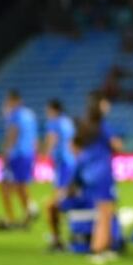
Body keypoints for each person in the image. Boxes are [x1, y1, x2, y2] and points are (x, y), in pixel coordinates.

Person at [72, 92, 124, 264]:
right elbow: (117, 145)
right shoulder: (103, 125)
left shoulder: (85, 125)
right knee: (105, 213)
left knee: (103, 211)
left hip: (89, 173)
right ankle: (97, 249)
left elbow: (75, 147)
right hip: (102, 173)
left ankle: (107, 247)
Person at [0, 89, 38, 230]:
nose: (7, 104)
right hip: (28, 154)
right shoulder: (29, 114)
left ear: (14, 101)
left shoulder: (15, 115)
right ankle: (26, 214)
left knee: (12, 186)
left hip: (17, 155)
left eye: (8, 101)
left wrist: (5, 153)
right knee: (18, 186)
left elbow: (13, 134)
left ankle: (15, 217)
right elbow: (33, 137)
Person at [43, 99, 76, 251]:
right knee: (63, 197)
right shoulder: (67, 121)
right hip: (72, 163)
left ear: (53, 110)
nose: (47, 113)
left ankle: (57, 236)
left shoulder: (54, 122)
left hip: (63, 164)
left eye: (48, 110)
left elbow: (52, 139)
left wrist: (46, 153)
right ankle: (62, 233)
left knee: (56, 201)